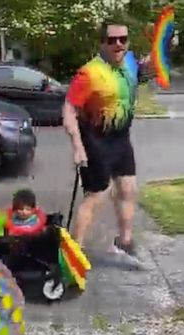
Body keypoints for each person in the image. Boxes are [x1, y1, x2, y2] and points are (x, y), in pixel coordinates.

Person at [63, 21, 152, 268]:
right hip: (95, 142)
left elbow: (146, 71)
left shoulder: (131, 63)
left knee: (128, 189)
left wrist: (160, 49)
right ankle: (73, 254)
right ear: (102, 43)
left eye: (122, 39)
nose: (118, 44)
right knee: (96, 196)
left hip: (121, 139)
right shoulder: (89, 73)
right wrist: (78, 147)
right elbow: (69, 109)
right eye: (111, 40)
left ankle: (123, 243)